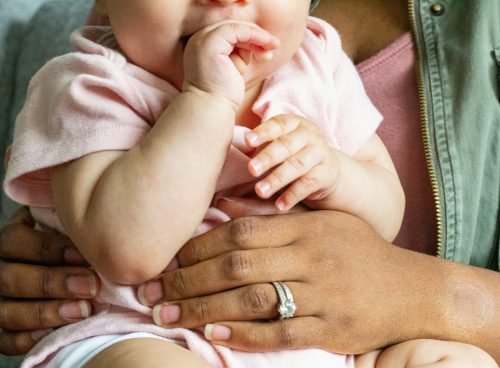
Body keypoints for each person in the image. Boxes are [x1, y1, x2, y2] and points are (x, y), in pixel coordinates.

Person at [0, 0, 499, 366]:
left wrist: (335, 174)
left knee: (455, 362)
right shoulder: (90, 84)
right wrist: (206, 100)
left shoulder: (318, 63)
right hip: (151, 333)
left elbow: (386, 214)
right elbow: (127, 250)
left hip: (326, 352)